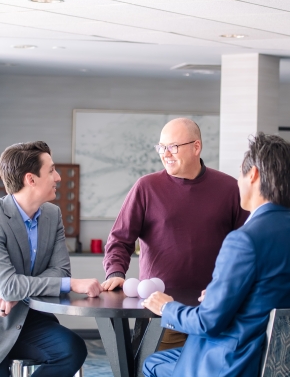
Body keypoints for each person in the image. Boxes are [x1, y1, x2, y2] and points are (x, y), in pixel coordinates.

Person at [141, 133, 290, 377]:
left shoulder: (244, 239)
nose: (238, 182)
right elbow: (272, 297)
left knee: (150, 363)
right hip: (285, 365)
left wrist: (167, 307)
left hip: (234, 364)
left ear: (254, 175)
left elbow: (207, 323)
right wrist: (219, 297)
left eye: (241, 174)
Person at [0, 141, 103, 377]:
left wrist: (17, 295)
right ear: (31, 179)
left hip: (22, 319)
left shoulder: (52, 215)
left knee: (71, 349)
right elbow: (8, 286)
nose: (58, 177)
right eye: (51, 170)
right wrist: (73, 285)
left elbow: (60, 270)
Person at [101, 118, 249, 349]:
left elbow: (247, 248)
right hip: (159, 312)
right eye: (161, 147)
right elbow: (119, 239)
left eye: (173, 147)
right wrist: (115, 272)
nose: (165, 154)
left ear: (196, 147)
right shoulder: (146, 187)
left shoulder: (230, 189)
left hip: (214, 311)